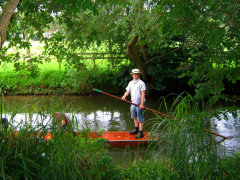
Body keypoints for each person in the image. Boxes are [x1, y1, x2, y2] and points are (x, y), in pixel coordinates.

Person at [122, 69, 146, 139]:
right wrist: (124, 96)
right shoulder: (130, 83)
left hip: (139, 104)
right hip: (133, 103)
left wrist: (142, 104)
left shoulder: (141, 83)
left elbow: (143, 94)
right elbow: (127, 91)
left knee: (140, 118)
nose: (135, 75)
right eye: (134, 74)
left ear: (139, 75)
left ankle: (141, 132)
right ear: (132, 75)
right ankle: (136, 129)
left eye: (136, 74)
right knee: (134, 117)